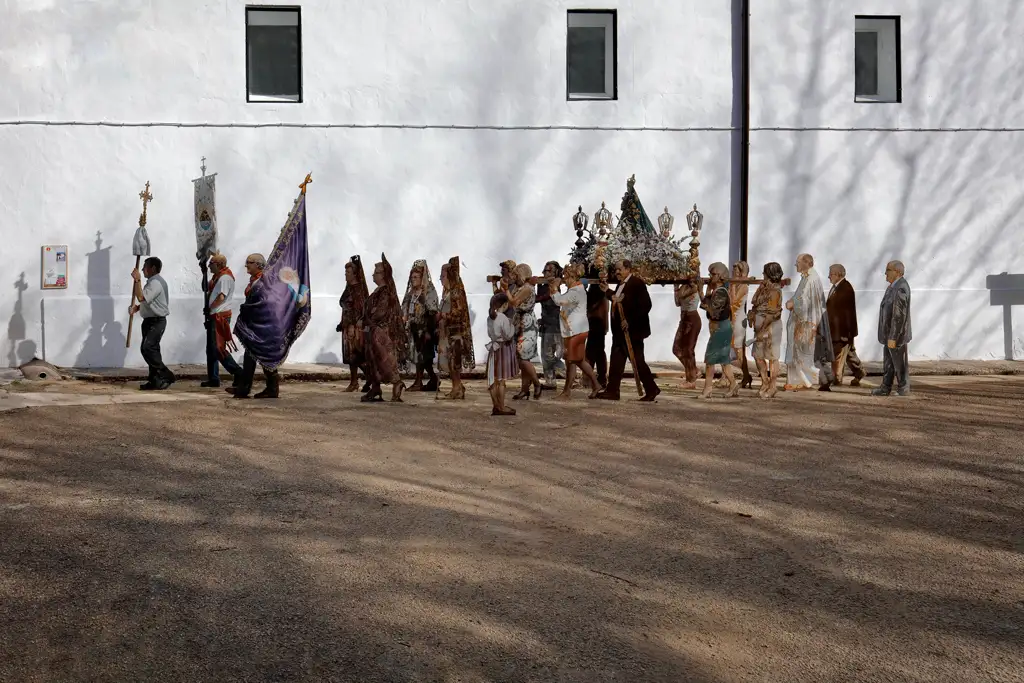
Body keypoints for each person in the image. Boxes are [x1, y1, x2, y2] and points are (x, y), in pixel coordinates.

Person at [595, 260, 659, 402]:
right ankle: (612, 390)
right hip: (620, 332)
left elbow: (645, 305)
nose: (617, 272)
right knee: (617, 361)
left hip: (633, 332)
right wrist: (607, 291)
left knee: (637, 361)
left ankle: (651, 388)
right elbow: (619, 300)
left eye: (619, 269)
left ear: (628, 269)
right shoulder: (621, 284)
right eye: (616, 270)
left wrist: (629, 321)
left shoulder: (637, 283)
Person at [229, 253, 281, 399]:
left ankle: (272, 388)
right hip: (255, 326)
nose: (246, 265)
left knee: (266, 356)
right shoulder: (255, 280)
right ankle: (244, 389)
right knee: (249, 356)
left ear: (258, 265)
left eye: (249, 262)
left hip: (264, 325)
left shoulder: (265, 281)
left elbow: (266, 303)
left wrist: (250, 308)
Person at [550, 263, 601, 399]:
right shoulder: (576, 289)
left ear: (572, 276)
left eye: (566, 277)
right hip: (574, 330)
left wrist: (554, 288)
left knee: (574, 360)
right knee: (574, 360)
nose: (564, 280)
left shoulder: (576, 292)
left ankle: (569, 391)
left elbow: (559, 301)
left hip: (576, 331)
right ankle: (593, 385)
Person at [362, 254, 407, 403]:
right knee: (372, 360)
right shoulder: (377, 291)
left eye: (376, 272)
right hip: (372, 331)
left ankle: (397, 384)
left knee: (385, 360)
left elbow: (380, 312)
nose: (373, 275)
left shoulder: (386, 292)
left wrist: (368, 318)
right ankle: (375, 389)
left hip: (381, 333)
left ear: (383, 275)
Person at [784, 253, 829, 391]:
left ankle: (808, 380)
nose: (795, 264)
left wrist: (793, 304)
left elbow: (806, 302)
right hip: (800, 322)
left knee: (802, 353)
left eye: (798, 262)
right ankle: (797, 380)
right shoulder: (806, 277)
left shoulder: (811, 279)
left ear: (806, 263)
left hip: (806, 322)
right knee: (797, 352)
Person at [130, 256, 175, 390]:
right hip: (149, 320)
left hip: (156, 321)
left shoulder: (156, 283)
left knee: (147, 348)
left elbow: (141, 297)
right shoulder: (152, 282)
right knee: (153, 351)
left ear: (153, 268)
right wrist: (137, 308)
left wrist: (137, 279)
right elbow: (148, 301)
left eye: (145, 267)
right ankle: (155, 381)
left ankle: (166, 374)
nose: (143, 270)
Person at [201, 252, 243, 388]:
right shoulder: (216, 277)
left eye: (211, 264)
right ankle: (213, 378)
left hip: (219, 316)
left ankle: (238, 373)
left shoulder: (225, 277)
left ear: (219, 264)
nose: (209, 266)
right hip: (214, 315)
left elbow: (221, 297)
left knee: (217, 348)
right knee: (211, 349)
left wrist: (210, 307)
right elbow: (205, 288)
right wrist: (203, 273)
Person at [437, 256, 475, 399]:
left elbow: (458, 312)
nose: (441, 278)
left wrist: (443, 315)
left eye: (443, 275)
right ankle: (457, 386)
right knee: (449, 360)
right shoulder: (446, 292)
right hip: (447, 331)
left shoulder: (456, 291)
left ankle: (457, 387)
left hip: (456, 331)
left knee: (454, 361)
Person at [873, 260, 912, 396]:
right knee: (889, 363)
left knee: (899, 363)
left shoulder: (901, 287)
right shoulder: (893, 287)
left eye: (888, 270)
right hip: (888, 334)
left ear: (897, 272)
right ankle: (885, 388)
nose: (885, 273)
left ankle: (903, 388)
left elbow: (899, 315)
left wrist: (893, 336)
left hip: (896, 336)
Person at [698, 262, 737, 399]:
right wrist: (705, 292)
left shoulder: (721, 292)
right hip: (720, 328)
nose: (710, 276)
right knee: (723, 359)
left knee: (710, 358)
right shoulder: (717, 291)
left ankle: (708, 389)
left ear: (720, 276)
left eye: (713, 274)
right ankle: (733, 384)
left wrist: (703, 294)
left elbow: (713, 311)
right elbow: (707, 305)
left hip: (721, 328)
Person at [824, 263, 866, 388]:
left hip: (842, 331)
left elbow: (848, 313)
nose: (828, 277)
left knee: (838, 355)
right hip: (837, 330)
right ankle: (859, 372)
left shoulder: (845, 288)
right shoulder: (837, 287)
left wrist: (846, 334)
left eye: (830, 274)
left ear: (838, 274)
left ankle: (837, 378)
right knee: (849, 354)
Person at [506, 263, 544, 400]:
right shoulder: (521, 287)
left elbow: (514, 302)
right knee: (521, 357)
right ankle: (524, 389)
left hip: (526, 324)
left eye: (516, 275)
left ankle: (537, 383)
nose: (514, 277)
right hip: (519, 322)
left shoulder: (527, 288)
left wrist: (506, 290)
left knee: (523, 357)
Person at [748, 262, 785, 398]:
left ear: (770, 274)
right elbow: (755, 303)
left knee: (772, 357)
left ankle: (773, 386)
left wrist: (762, 330)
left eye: (765, 272)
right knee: (758, 356)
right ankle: (764, 381)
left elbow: (771, 313)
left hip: (771, 327)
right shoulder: (763, 287)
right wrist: (752, 314)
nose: (763, 274)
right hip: (759, 326)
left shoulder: (775, 290)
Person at [402, 259, 440, 392]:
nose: (413, 279)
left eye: (416, 277)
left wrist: (425, 303)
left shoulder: (429, 291)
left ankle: (418, 382)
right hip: (412, 328)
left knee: (422, 356)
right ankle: (433, 379)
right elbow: (405, 307)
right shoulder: (411, 293)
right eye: (412, 277)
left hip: (425, 329)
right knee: (420, 357)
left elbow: (433, 310)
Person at [338, 256, 369, 392]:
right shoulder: (349, 288)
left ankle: (369, 378)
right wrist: (342, 323)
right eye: (345, 273)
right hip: (347, 325)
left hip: (355, 327)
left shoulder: (358, 289)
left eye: (348, 273)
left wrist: (352, 325)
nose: (346, 275)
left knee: (356, 354)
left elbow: (359, 309)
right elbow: (346, 307)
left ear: (355, 274)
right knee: (351, 355)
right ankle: (355, 381)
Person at [535, 261, 566, 389]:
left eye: (549, 271)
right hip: (546, 322)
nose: (545, 273)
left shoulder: (555, 284)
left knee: (549, 354)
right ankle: (550, 381)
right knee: (544, 354)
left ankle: (565, 372)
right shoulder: (542, 284)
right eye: (545, 270)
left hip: (554, 324)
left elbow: (544, 298)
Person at [485, 292, 517, 416]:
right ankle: (502, 406)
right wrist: (512, 326)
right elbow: (508, 335)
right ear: (504, 304)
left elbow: (489, 333)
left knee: (492, 379)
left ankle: (495, 405)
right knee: (501, 380)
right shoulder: (503, 317)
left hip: (493, 348)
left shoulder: (490, 317)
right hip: (502, 348)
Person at [672, 278, 702, 389]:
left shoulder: (695, 286)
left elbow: (681, 297)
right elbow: (677, 303)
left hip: (692, 319)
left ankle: (691, 380)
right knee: (676, 349)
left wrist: (677, 289)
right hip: (684, 319)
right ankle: (694, 371)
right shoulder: (683, 287)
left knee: (688, 350)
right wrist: (675, 287)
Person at [728, 260, 754, 388]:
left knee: (739, 350)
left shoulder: (743, 285)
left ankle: (746, 375)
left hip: (738, 319)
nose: (734, 272)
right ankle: (743, 376)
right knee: (730, 348)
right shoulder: (734, 284)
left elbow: (733, 301)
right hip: (731, 317)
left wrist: (732, 285)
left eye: (736, 270)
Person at [584, 266, 609, 390]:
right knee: (596, 351)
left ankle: (596, 378)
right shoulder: (597, 287)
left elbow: (592, 303)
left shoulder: (598, 287)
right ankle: (597, 378)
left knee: (594, 351)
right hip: (597, 322)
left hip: (596, 322)